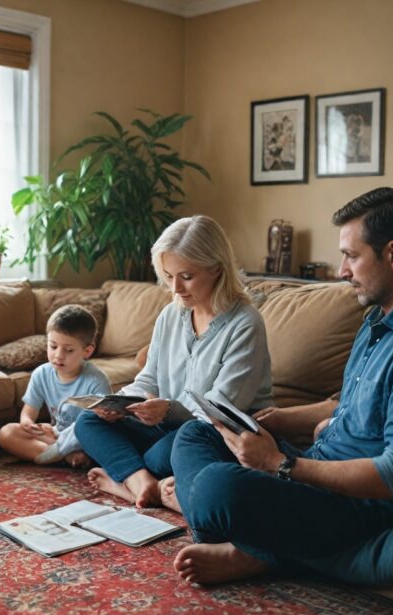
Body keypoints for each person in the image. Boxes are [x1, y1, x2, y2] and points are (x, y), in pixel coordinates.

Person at [171, 188, 393, 586]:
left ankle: (257, 552)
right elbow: (349, 408)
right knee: (194, 434)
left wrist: (279, 465)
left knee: (217, 489)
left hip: (365, 506)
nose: (341, 271)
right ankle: (261, 542)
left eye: (351, 256)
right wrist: (276, 426)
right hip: (319, 469)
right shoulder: (378, 322)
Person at [75, 215, 273, 509]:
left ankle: (128, 478)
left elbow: (221, 410)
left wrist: (168, 410)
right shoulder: (171, 314)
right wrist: (119, 404)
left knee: (163, 452)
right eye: (168, 276)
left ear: (217, 269)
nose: (175, 288)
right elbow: (149, 378)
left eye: (187, 276)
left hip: (212, 432)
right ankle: (144, 484)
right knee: (87, 422)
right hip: (167, 425)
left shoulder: (245, 324)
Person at [0, 304, 111, 468]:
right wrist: (28, 423)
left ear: (87, 351)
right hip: (55, 436)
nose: (58, 355)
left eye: (69, 350)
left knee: (102, 442)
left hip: (84, 438)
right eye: (53, 346)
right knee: (6, 433)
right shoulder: (41, 374)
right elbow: (28, 412)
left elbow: (100, 425)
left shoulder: (96, 380)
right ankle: (66, 456)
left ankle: (59, 453)